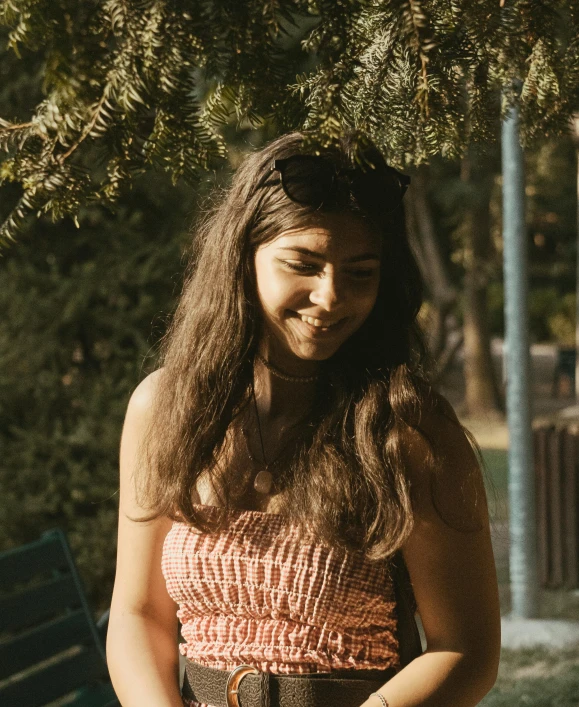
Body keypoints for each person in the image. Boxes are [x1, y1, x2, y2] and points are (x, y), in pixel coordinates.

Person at [106, 131, 501, 707]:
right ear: (243, 256)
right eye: (304, 264)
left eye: (360, 273)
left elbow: (466, 651)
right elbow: (137, 614)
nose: (331, 296)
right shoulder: (164, 410)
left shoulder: (409, 431)